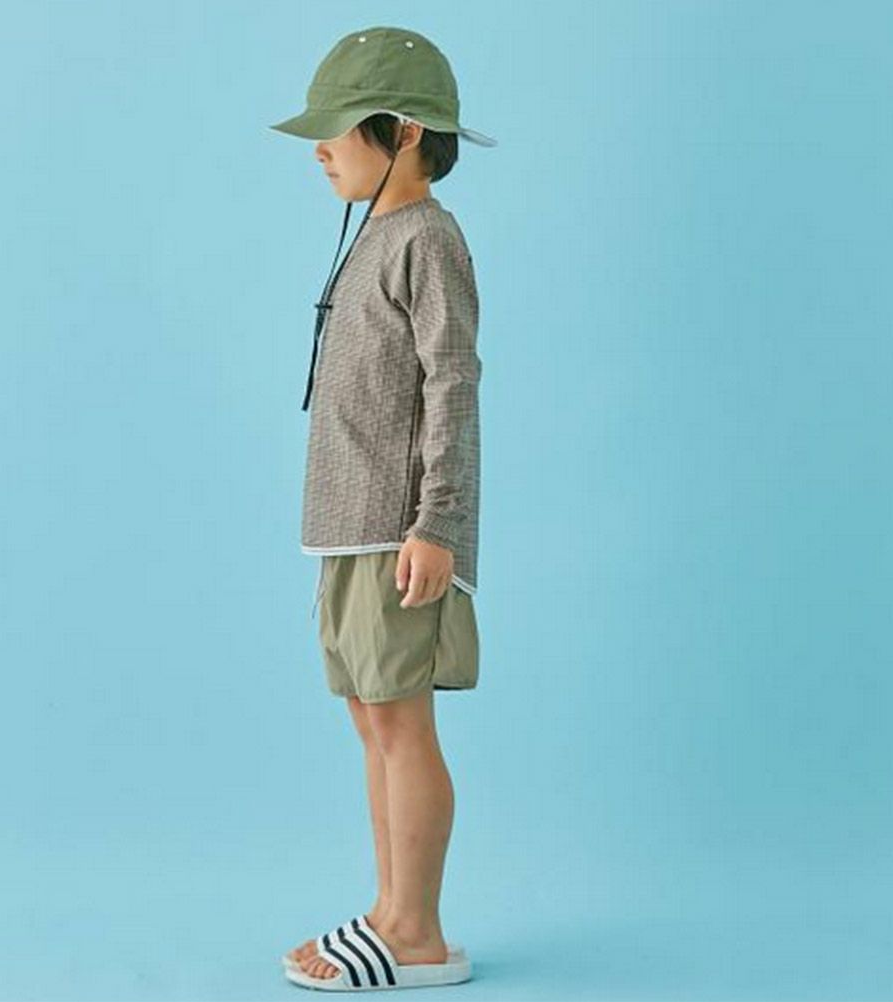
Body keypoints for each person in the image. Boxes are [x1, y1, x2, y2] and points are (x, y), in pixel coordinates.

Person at [268, 25, 496, 992]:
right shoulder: (375, 234)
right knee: (372, 721)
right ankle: (390, 910)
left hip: (398, 531)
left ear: (403, 132)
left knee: (402, 727)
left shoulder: (428, 240)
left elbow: (452, 381)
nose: (320, 149)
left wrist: (436, 523)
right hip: (348, 528)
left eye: (338, 128)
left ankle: (416, 934)